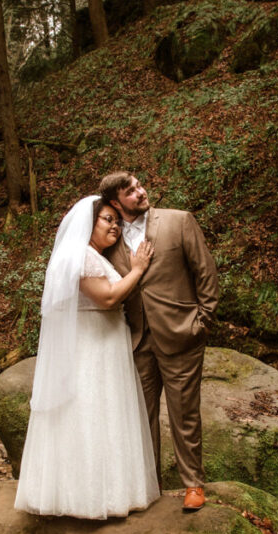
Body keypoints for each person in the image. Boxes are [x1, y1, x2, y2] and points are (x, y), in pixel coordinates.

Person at [14, 195, 160, 519]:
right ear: (88, 223)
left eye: (117, 221)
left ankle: (110, 494)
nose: (115, 226)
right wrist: (137, 270)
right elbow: (108, 298)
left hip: (103, 343)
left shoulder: (94, 257)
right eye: (107, 219)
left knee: (106, 417)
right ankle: (85, 499)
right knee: (91, 416)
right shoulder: (81, 257)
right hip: (92, 347)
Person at [98, 172, 219, 511]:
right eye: (130, 191)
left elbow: (206, 273)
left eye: (138, 185)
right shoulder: (109, 237)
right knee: (140, 416)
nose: (140, 192)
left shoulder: (179, 221)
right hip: (136, 339)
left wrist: (202, 322)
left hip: (182, 333)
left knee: (185, 413)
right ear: (114, 203)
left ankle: (193, 485)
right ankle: (147, 486)